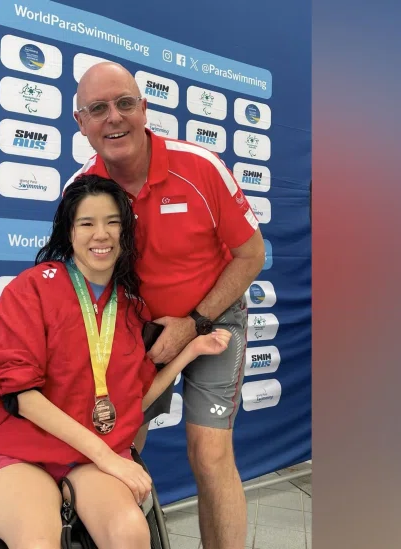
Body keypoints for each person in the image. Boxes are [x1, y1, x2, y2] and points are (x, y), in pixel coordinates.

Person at [0, 174, 232, 549]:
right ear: (69, 232)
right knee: (38, 542)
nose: (102, 234)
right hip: (22, 453)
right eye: (87, 223)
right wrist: (107, 458)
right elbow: (22, 397)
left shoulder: (129, 307)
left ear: (125, 234)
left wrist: (189, 352)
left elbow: (133, 402)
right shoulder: (30, 289)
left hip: (92, 459)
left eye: (113, 222)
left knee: (130, 535)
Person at [69, 62, 266, 549]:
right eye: (98, 109)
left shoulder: (200, 166)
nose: (113, 118)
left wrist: (193, 323)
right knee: (118, 447)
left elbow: (252, 254)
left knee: (209, 451)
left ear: (144, 108)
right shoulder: (82, 190)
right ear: (81, 123)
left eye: (125, 103)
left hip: (213, 315)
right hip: (134, 330)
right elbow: (78, 283)